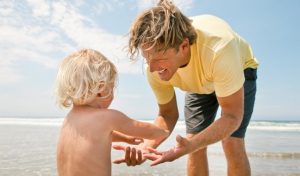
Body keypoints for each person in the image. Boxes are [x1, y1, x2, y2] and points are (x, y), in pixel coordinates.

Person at [113, 0, 258, 175]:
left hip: (238, 66)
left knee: (231, 140)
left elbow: (232, 116)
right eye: (147, 58)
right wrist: (146, 147)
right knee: (193, 143)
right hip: (200, 81)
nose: (151, 69)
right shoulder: (153, 68)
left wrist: (192, 144)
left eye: (158, 59)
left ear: (183, 46)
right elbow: (167, 115)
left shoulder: (219, 49)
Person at [55, 48, 169, 176]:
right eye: (112, 87)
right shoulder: (108, 117)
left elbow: (95, 134)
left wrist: (126, 138)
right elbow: (142, 129)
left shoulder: (69, 120)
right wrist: (163, 131)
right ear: (101, 89)